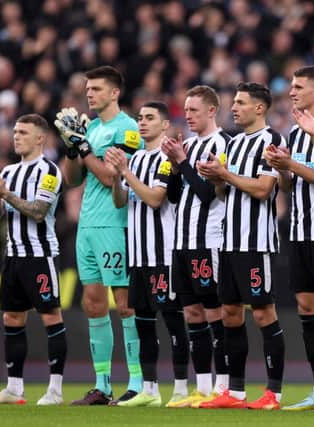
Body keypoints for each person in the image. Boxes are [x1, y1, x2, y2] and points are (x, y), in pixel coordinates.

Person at [56, 65, 143, 405]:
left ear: (114, 93)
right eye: (87, 88)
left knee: (124, 303)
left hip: (115, 223)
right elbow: (73, 179)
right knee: (93, 302)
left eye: (95, 89)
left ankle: (136, 381)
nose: (89, 94)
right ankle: (102, 385)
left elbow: (111, 178)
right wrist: (71, 148)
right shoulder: (91, 127)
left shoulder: (128, 128)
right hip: (88, 224)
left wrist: (85, 149)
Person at [197, 82, 286, 410]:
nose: (233, 108)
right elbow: (223, 193)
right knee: (230, 313)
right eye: (233, 102)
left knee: (263, 313)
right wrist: (216, 178)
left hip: (255, 242)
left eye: (241, 103)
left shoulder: (272, 140)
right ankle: (234, 392)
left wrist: (225, 175)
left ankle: (273, 393)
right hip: (229, 242)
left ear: (259, 108)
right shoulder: (231, 145)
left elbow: (264, 189)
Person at [263, 66, 314, 410]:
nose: (291, 91)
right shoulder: (295, 133)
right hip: (299, 232)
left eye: (298, 87)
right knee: (308, 309)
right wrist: (282, 167)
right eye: (291, 86)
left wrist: (290, 166)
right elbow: (287, 185)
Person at [105, 101, 190, 407]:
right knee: (142, 321)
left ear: (165, 124)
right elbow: (119, 202)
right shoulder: (137, 158)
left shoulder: (166, 160)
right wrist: (117, 177)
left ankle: (181, 388)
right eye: (140, 117)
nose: (142, 122)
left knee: (173, 321)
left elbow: (155, 199)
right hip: (139, 254)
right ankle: (150, 390)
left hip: (163, 255)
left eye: (150, 118)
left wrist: (125, 171)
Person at [0, 114, 67, 405]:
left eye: (24, 132)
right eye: (15, 131)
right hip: (13, 256)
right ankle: (14, 389)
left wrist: (6, 194)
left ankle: (55, 390)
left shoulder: (50, 171)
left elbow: (39, 211)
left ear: (40, 138)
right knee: (12, 318)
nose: (16, 136)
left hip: (40, 256)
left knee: (51, 316)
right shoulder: (9, 171)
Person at [161, 85, 232, 407]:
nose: (187, 115)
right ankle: (202, 387)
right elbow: (174, 196)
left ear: (211, 111)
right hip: (182, 241)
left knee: (215, 310)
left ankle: (224, 385)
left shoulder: (223, 145)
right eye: (185, 110)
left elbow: (208, 194)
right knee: (192, 312)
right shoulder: (186, 145)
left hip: (209, 241)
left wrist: (184, 162)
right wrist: (176, 165)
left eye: (193, 110)